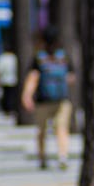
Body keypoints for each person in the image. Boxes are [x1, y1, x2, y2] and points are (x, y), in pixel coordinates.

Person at [20, 25, 74, 169]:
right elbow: (71, 78)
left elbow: (33, 77)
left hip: (42, 101)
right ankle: (63, 157)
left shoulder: (39, 58)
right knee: (61, 128)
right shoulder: (64, 57)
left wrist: (27, 96)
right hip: (62, 101)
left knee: (41, 130)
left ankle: (42, 158)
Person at [0, 36, 19, 118]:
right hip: (14, 80)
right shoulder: (14, 58)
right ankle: (11, 109)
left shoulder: (1, 58)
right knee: (12, 95)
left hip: (4, 80)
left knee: (5, 96)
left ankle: (6, 110)